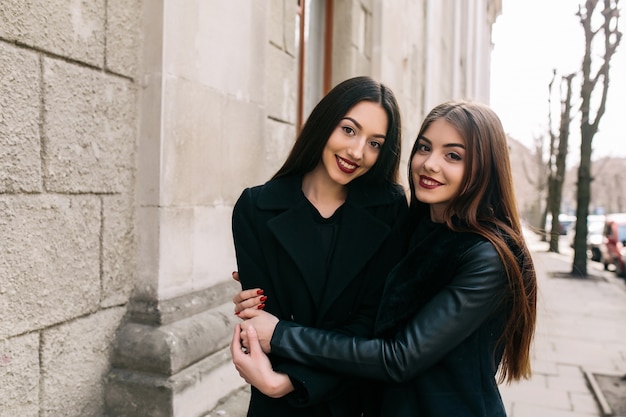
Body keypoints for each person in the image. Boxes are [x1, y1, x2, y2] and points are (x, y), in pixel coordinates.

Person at [231, 100, 538, 417]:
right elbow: (366, 298)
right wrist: (285, 269)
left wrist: (281, 335)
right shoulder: (416, 229)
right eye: (424, 148)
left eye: (453, 155)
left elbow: (399, 357)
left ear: (486, 168)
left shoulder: (487, 255)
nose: (430, 164)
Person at [231, 75, 408, 417]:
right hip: (280, 409)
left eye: (375, 143)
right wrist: (280, 377)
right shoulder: (255, 209)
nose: (357, 152)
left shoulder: (391, 210)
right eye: (349, 129)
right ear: (325, 123)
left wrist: (290, 381)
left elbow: (376, 325)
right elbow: (260, 326)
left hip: (355, 402)